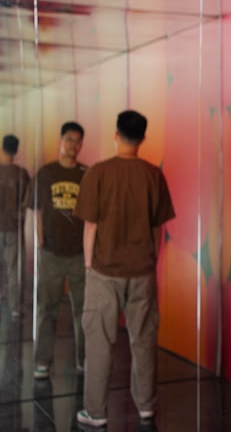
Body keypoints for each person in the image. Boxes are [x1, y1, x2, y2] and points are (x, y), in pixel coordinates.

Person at [73, 110, 175, 428]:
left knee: (100, 342)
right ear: (142, 138)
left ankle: (96, 412)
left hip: (104, 271)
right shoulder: (153, 175)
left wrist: (89, 266)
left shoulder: (98, 173)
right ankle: (146, 407)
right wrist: (150, 260)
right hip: (143, 270)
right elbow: (158, 228)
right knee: (143, 339)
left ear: (116, 135)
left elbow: (90, 226)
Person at [26, 121, 88, 379]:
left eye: (77, 140)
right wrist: (39, 241)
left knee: (83, 310)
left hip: (79, 255)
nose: (73, 145)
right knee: (47, 309)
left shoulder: (87, 174)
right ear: (61, 140)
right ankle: (42, 361)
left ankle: (84, 360)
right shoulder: (46, 173)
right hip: (51, 253)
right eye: (69, 139)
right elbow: (36, 210)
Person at [0, 133, 29, 319]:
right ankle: (15, 308)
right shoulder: (22, 174)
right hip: (14, 227)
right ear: (17, 150)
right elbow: (26, 203)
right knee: (14, 269)